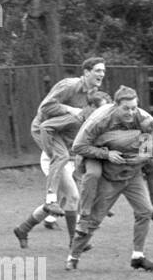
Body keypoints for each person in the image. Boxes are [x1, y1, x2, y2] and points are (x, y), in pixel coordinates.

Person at [66, 86, 153, 272]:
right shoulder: (101, 121)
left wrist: (146, 153)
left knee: (145, 210)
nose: (131, 112)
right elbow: (78, 146)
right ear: (115, 105)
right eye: (126, 108)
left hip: (132, 174)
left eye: (134, 108)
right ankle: (73, 256)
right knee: (94, 219)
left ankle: (138, 256)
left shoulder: (142, 119)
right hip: (106, 171)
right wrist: (106, 154)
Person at [13, 91, 112, 249]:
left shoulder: (96, 124)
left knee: (60, 203)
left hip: (72, 162)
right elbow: (45, 127)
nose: (104, 114)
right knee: (73, 197)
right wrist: (53, 153)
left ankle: (23, 229)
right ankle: (74, 241)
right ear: (91, 107)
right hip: (57, 161)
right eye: (101, 110)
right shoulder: (75, 119)